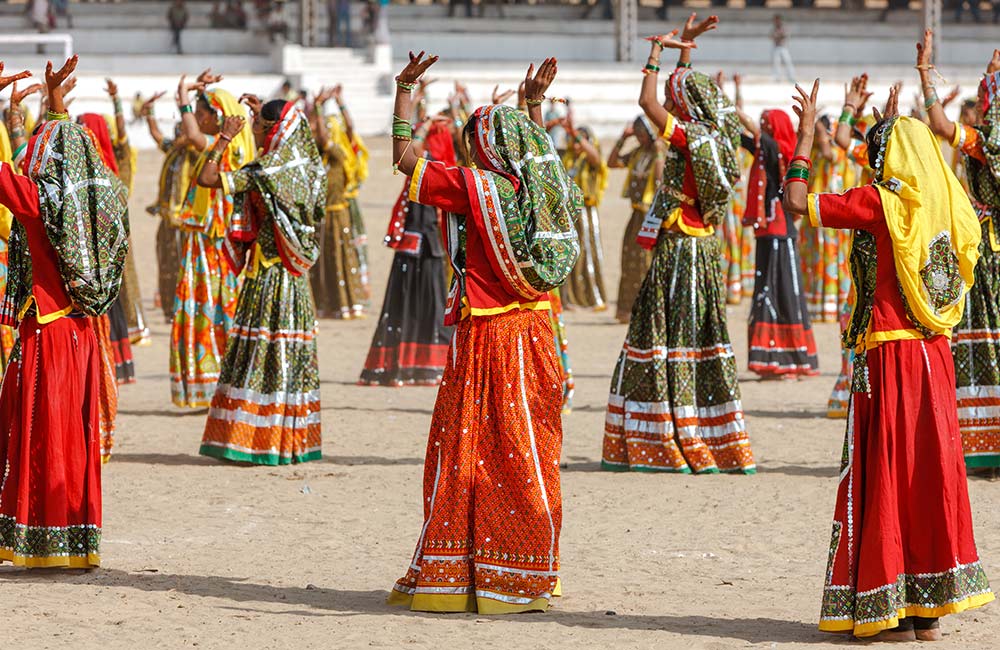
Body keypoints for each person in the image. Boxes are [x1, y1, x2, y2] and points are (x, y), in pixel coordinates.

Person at [784, 79, 994, 641]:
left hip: (889, 356)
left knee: (888, 471)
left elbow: (798, 203)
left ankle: (887, 610)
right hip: (934, 354)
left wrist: (805, 139)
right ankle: (927, 611)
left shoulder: (880, 204)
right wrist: (885, 126)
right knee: (931, 472)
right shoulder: (948, 206)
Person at [387, 53, 581, 614]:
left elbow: (404, 159)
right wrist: (531, 107)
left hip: (488, 341)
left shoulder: (474, 188)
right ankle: (525, 569)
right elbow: (536, 155)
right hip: (536, 334)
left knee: (470, 455)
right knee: (530, 454)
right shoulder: (544, 188)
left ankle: (468, 574)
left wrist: (405, 91)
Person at [602, 16, 755, 475]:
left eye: (677, 96)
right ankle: (714, 436)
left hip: (677, 249)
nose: (670, 100)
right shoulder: (721, 137)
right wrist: (687, 50)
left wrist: (656, 52)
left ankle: (667, 434)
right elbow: (691, 96)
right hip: (705, 250)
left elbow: (647, 100)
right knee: (702, 338)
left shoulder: (689, 137)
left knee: (660, 336)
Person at [0, 56, 129, 568]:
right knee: (71, 436)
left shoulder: (35, 202)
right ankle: (74, 544)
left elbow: (10, 174)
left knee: (36, 432)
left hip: (45, 331)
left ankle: (39, 538)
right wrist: (53, 105)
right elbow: (51, 156)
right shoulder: (89, 200)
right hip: (78, 330)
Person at [195, 96, 324, 465]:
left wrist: (224, 138)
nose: (252, 130)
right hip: (296, 280)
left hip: (267, 275)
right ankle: (290, 441)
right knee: (288, 357)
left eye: (258, 125)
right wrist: (259, 117)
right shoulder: (308, 167)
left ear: (273, 130)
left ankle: (253, 441)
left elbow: (206, 178)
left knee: (262, 354)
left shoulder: (266, 171)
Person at [919, 34, 1000, 473]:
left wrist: (926, 73)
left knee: (979, 340)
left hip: (986, 255)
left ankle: (982, 443)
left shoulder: (985, 144)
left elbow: (940, 125)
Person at [171, 73, 255, 408]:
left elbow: (191, 134)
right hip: (220, 237)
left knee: (207, 304)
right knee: (221, 305)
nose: (199, 117)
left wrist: (182, 98)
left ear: (217, 117)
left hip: (211, 237)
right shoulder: (238, 145)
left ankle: (211, 381)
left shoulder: (225, 145)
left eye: (203, 112)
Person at [359, 117, 454, 386]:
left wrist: (420, 123)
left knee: (413, 307)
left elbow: (408, 156)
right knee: (426, 306)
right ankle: (422, 367)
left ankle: (413, 366)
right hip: (425, 244)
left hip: (421, 244)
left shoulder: (434, 167)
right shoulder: (442, 167)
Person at [738, 105, 819, 379]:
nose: (763, 128)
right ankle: (769, 359)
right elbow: (744, 139)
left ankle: (790, 360)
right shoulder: (768, 150)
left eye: (767, 124)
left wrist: (737, 111)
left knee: (782, 292)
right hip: (768, 233)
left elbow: (757, 137)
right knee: (766, 292)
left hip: (780, 233)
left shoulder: (780, 149)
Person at [141, 91, 199, 323]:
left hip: (185, 222)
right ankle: (168, 310)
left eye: (181, 132)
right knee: (165, 265)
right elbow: (156, 135)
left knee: (181, 267)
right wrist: (150, 113)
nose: (176, 136)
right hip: (167, 219)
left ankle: (183, 309)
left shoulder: (196, 154)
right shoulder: (174, 150)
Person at [309, 86, 366, 319]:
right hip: (323, 215)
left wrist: (322, 107)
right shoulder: (319, 157)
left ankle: (345, 304)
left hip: (337, 214)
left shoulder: (337, 153)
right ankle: (327, 305)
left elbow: (326, 135)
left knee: (340, 260)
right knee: (323, 263)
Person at [607, 116, 662, 322]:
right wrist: (622, 139)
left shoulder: (661, 153)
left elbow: (659, 180)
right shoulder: (637, 153)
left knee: (645, 262)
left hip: (651, 215)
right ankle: (627, 310)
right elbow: (612, 163)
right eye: (636, 135)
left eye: (641, 135)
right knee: (630, 259)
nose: (639, 139)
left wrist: (658, 150)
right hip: (636, 215)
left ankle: (647, 311)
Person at [561, 117, 608, 311]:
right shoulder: (567, 157)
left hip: (586, 212)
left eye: (581, 139)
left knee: (588, 253)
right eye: (574, 139)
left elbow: (595, 157)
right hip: (568, 212)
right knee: (568, 254)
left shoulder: (590, 160)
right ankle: (570, 299)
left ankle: (592, 297)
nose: (576, 143)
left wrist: (576, 134)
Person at [771, 14, 795, 84]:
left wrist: (778, 36)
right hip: (776, 47)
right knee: (776, 63)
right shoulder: (774, 28)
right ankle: (777, 77)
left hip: (783, 47)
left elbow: (785, 35)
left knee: (788, 62)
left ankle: (791, 77)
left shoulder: (783, 27)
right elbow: (772, 36)